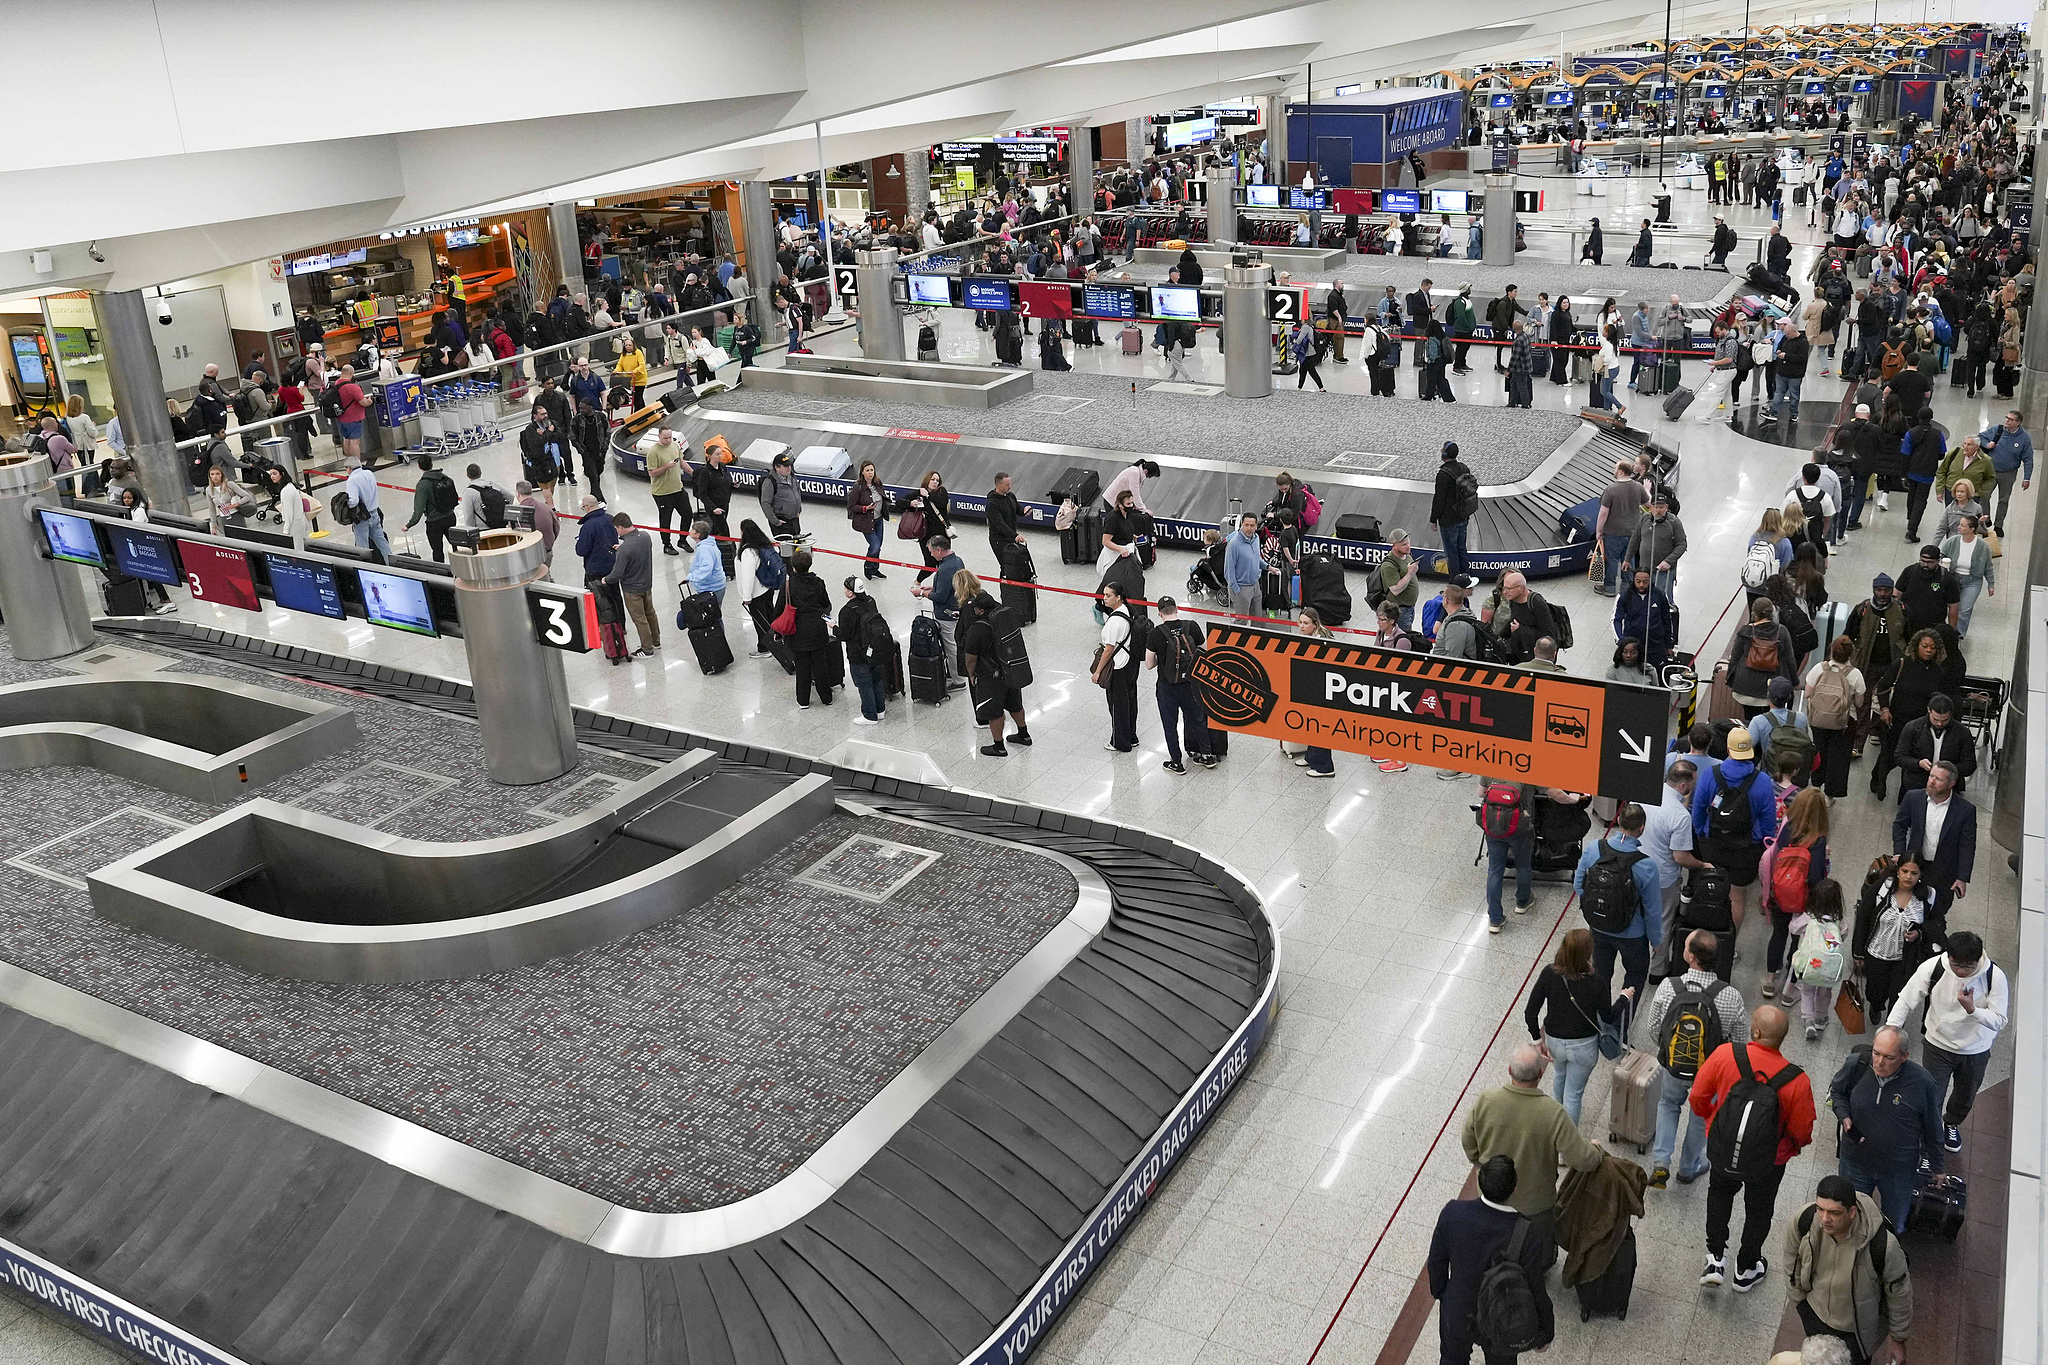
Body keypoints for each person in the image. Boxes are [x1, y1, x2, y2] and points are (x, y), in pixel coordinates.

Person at [1690, 1004, 1816, 1293]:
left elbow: (1698, 1096)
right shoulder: (1797, 1080)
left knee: (1719, 1195)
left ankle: (1715, 1259)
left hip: (1723, 1148)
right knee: (1759, 1210)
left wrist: (1712, 1119)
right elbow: (1801, 1131)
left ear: (1755, 1031)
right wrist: (1788, 1148)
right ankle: (1746, 1268)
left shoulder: (1725, 1054)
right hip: (1769, 1160)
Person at [1460, 1043, 1605, 1235]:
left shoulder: (1486, 1100)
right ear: (1540, 1074)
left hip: (1492, 1195)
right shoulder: (1553, 1113)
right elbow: (1581, 1159)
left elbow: (1467, 1141)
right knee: (1535, 1251)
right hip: (1536, 1205)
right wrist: (1596, 1150)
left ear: (1510, 1070)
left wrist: (1482, 1165)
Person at [1886, 928, 2004, 1156]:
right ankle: (1926, 1142)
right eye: (1955, 964)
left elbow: (1999, 1021)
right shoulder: (1935, 967)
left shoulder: (1994, 976)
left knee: (1965, 1095)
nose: (1960, 971)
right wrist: (1890, 1032)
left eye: (1966, 967)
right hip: (1938, 1044)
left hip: (1976, 1049)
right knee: (1931, 1096)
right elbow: (1906, 1000)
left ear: (1978, 959)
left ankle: (1951, 1124)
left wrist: (1972, 1009)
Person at [1427, 1156, 1556, 1365]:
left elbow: (1436, 1262)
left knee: (1452, 1359)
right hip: (1504, 1314)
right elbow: (1535, 1286)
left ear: (1481, 1181)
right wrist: (1545, 1330)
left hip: (1459, 1308)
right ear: (1514, 1189)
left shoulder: (1452, 1213)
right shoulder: (1526, 1232)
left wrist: (1444, 1294)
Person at [1830, 1026, 1945, 1235]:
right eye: (1876, 1053)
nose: (1879, 1062)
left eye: (1889, 1057)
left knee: (1894, 1223)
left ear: (1904, 1056)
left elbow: (1933, 1126)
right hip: (1855, 1161)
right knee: (1848, 1217)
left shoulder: (1922, 1083)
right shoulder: (1858, 1064)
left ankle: (1887, 1256)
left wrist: (1938, 1166)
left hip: (1897, 1170)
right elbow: (1837, 1092)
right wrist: (1844, 1116)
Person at [1524, 928, 1628, 1125]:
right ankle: (1567, 1145)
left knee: (1560, 1077)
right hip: (1584, 1046)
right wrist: (1624, 998)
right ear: (1588, 953)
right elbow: (1607, 1015)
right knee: (1574, 1095)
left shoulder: (1549, 973)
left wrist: (1537, 1040)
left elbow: (1530, 1011)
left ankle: (1556, 1124)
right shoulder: (1597, 982)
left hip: (1555, 1042)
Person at [1693, 728, 1779, 939]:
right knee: (1737, 898)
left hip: (1714, 844)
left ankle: (1705, 941)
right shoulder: (1763, 782)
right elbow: (1769, 823)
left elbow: (1698, 810)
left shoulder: (1710, 774)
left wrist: (1702, 836)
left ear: (1728, 749)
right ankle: (1728, 944)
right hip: (1747, 849)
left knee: (1711, 891)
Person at [1573, 802, 1661, 1004]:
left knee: (1601, 975)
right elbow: (1652, 910)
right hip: (1633, 934)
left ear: (1618, 821)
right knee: (1634, 977)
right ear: (1642, 828)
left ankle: (1600, 1017)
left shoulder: (1594, 848)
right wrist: (1656, 941)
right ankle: (1620, 1028)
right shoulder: (1646, 865)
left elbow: (1579, 885)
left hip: (1598, 928)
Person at [958, 578, 1030, 755]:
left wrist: (972, 674)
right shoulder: (1004, 619)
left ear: (981, 610)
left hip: (990, 675)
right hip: (1010, 669)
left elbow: (970, 658)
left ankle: (998, 746)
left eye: (975, 608)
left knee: (994, 711)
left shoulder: (978, 628)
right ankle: (1023, 734)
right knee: (1015, 704)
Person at [1146, 597, 1213, 774]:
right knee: (1197, 718)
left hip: (1167, 686)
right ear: (1176, 609)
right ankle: (1206, 755)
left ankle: (1177, 762)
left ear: (1159, 612)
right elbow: (1205, 650)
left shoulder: (1155, 633)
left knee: (1170, 724)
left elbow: (1148, 664)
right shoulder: (1191, 626)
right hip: (1190, 682)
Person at [1804, 635, 1865, 800]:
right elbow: (1859, 703)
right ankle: (1830, 795)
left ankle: (1816, 785)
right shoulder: (1855, 674)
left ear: (1831, 651)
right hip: (1843, 723)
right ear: (1850, 655)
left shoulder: (1819, 669)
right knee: (1838, 759)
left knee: (1819, 752)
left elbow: (1808, 693)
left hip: (1818, 720)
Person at [1718, 599, 1798, 720]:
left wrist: (1730, 679)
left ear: (1754, 613)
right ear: (1772, 612)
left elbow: (1734, 658)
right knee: (1770, 720)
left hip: (1745, 686)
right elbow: (1790, 659)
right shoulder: (1782, 631)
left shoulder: (1745, 631)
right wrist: (1795, 682)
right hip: (1771, 687)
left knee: (1749, 718)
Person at [603, 512, 659, 656]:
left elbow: (617, 574)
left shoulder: (625, 548)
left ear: (620, 528)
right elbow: (638, 552)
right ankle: (656, 641)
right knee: (650, 613)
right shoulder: (645, 537)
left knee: (640, 619)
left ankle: (647, 650)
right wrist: (621, 549)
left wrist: (606, 580)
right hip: (647, 584)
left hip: (632, 589)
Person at [1094, 581, 1140, 753]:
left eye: (1108, 595)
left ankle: (1120, 742)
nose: (1104, 598)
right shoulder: (1128, 611)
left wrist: (1098, 671)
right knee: (1130, 701)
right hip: (1130, 664)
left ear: (1118, 597)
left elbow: (1109, 649)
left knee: (1117, 705)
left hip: (1119, 667)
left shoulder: (1114, 621)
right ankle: (1131, 736)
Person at [834, 578, 886, 724]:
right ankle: (880, 709)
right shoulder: (871, 601)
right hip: (875, 649)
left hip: (858, 653)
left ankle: (870, 715)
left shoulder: (847, 611)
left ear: (850, 593)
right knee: (877, 680)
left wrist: (834, 627)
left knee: (864, 684)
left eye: (845, 589)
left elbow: (844, 635)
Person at [1593, 460, 1647, 597]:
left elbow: (1603, 513)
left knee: (1612, 560)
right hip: (1633, 532)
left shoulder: (1611, 489)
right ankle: (1627, 586)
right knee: (1629, 559)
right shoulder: (1638, 487)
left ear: (1621, 472)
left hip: (1613, 532)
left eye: (1615, 468)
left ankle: (1610, 588)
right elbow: (1647, 503)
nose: (1614, 470)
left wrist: (1599, 531)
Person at [1979, 409, 2033, 534]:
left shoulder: (2024, 438)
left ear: (2018, 423)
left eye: (2011, 419)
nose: (2007, 421)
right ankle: (1986, 518)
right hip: (1990, 471)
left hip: (2009, 473)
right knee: (1984, 495)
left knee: (2003, 500)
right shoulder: (1997, 430)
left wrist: (2027, 478)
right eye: (2006, 418)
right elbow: (1980, 437)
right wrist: (1987, 444)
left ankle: (1998, 525)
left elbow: (2028, 459)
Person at [1430, 441, 1477, 581]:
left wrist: (1433, 519)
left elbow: (1439, 499)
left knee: (1451, 553)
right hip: (1463, 516)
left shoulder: (1443, 474)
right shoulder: (1464, 468)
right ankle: (1466, 579)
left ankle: (1455, 583)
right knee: (1461, 549)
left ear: (1445, 454)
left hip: (1448, 520)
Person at [1940, 516, 1994, 635]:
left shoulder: (1983, 546)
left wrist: (1991, 584)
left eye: (1963, 525)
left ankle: (1958, 635)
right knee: (1948, 606)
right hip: (1953, 578)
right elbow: (1941, 554)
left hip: (1973, 581)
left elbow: (1988, 566)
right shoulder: (1952, 541)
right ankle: (1947, 631)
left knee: (1964, 610)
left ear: (1972, 529)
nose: (1959, 527)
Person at [734, 520, 782, 657]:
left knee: (760, 620)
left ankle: (765, 648)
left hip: (756, 592)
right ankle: (776, 639)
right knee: (769, 615)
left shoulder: (749, 551)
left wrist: (746, 597)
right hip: (767, 588)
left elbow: (748, 575)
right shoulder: (764, 545)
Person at [1626, 488, 1685, 599]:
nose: (1658, 510)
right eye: (1655, 507)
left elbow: (1682, 544)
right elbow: (1635, 540)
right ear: (1650, 507)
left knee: (1663, 598)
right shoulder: (1644, 519)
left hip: (1663, 571)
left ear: (1666, 508)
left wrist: (1668, 561)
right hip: (1644, 571)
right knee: (1643, 598)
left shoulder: (1674, 522)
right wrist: (1627, 559)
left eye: (1661, 507)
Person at [1492, 572, 1561, 666]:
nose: (1505, 592)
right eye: (1504, 588)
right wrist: (1497, 637)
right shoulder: (1513, 600)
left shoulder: (1536, 603)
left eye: (1509, 589)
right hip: (1517, 655)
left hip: (1534, 660)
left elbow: (1548, 635)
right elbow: (1513, 621)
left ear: (1521, 588)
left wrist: (1520, 629)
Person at [642, 430, 693, 555]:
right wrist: (666, 467)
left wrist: (693, 473)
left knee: (688, 515)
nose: (668, 440)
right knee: (665, 520)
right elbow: (652, 473)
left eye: (670, 437)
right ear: (659, 436)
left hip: (678, 489)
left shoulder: (674, 445)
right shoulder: (653, 452)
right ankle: (667, 544)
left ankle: (682, 539)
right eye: (665, 438)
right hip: (662, 493)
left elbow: (681, 461)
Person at [1894, 544, 1959, 634]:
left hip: (1933, 628)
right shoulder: (1909, 571)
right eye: (1922, 561)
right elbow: (1896, 593)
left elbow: (1953, 607)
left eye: (1930, 562)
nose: (1925, 565)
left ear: (1938, 561)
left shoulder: (1946, 579)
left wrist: (1951, 631)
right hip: (1908, 624)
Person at [342, 449, 390, 560]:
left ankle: (365, 568)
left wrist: (345, 506)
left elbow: (353, 501)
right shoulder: (369, 473)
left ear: (349, 468)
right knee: (382, 542)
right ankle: (392, 563)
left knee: (363, 547)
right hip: (374, 513)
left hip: (362, 517)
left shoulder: (352, 480)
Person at [906, 470, 952, 583]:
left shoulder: (941, 492)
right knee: (930, 564)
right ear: (927, 480)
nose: (935, 482)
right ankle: (917, 582)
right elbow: (899, 502)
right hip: (925, 535)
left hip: (942, 534)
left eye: (937, 480)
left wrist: (928, 495)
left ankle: (943, 586)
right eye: (933, 479)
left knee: (945, 562)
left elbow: (941, 503)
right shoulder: (919, 493)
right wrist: (910, 504)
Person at [1376, 530, 1421, 629]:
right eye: (1404, 544)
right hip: (1400, 610)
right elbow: (1395, 590)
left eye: (1408, 543)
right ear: (1394, 545)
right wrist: (1410, 573)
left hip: (1410, 607)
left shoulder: (1407, 556)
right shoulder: (1389, 565)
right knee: (1402, 639)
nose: (1408, 546)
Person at [1224, 511, 1262, 622]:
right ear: (1242, 525)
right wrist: (1237, 590)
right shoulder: (1234, 544)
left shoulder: (1256, 539)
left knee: (1257, 620)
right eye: (1246, 525)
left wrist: (1267, 566)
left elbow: (1255, 557)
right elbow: (1228, 570)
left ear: (1256, 526)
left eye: (1252, 525)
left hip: (1255, 585)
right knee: (1242, 622)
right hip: (1241, 588)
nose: (1249, 528)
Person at [759, 452, 804, 542]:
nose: (789, 468)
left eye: (789, 465)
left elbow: (797, 492)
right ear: (777, 467)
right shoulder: (770, 482)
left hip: (794, 519)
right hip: (781, 522)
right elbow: (765, 503)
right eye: (785, 466)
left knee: (797, 547)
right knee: (786, 551)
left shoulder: (791, 477)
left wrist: (798, 509)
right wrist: (776, 521)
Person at [984, 470, 1025, 568]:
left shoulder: (1010, 496)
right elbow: (999, 523)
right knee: (1007, 565)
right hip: (999, 540)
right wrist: (1014, 535)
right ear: (999, 485)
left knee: (1015, 564)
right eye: (1007, 485)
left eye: (1009, 484)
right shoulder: (992, 504)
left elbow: (1017, 508)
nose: (1009, 487)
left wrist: (1024, 510)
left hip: (1010, 537)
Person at [332, 364, 369, 466]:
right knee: (355, 442)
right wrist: (370, 401)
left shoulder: (335, 383)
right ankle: (357, 464)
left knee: (346, 439)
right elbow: (363, 402)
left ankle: (349, 461)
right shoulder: (352, 387)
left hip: (341, 417)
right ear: (351, 373)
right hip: (353, 417)